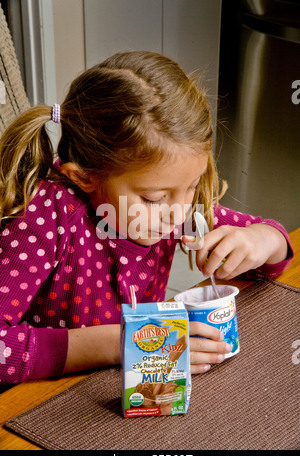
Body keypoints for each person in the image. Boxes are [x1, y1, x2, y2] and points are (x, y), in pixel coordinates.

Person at [0, 51, 293, 385]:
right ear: (84, 177)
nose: (179, 212)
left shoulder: (177, 204)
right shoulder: (47, 215)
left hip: (133, 386)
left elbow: (275, 259)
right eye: (153, 199)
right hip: (42, 403)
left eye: (192, 186)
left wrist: (261, 240)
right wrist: (119, 343)